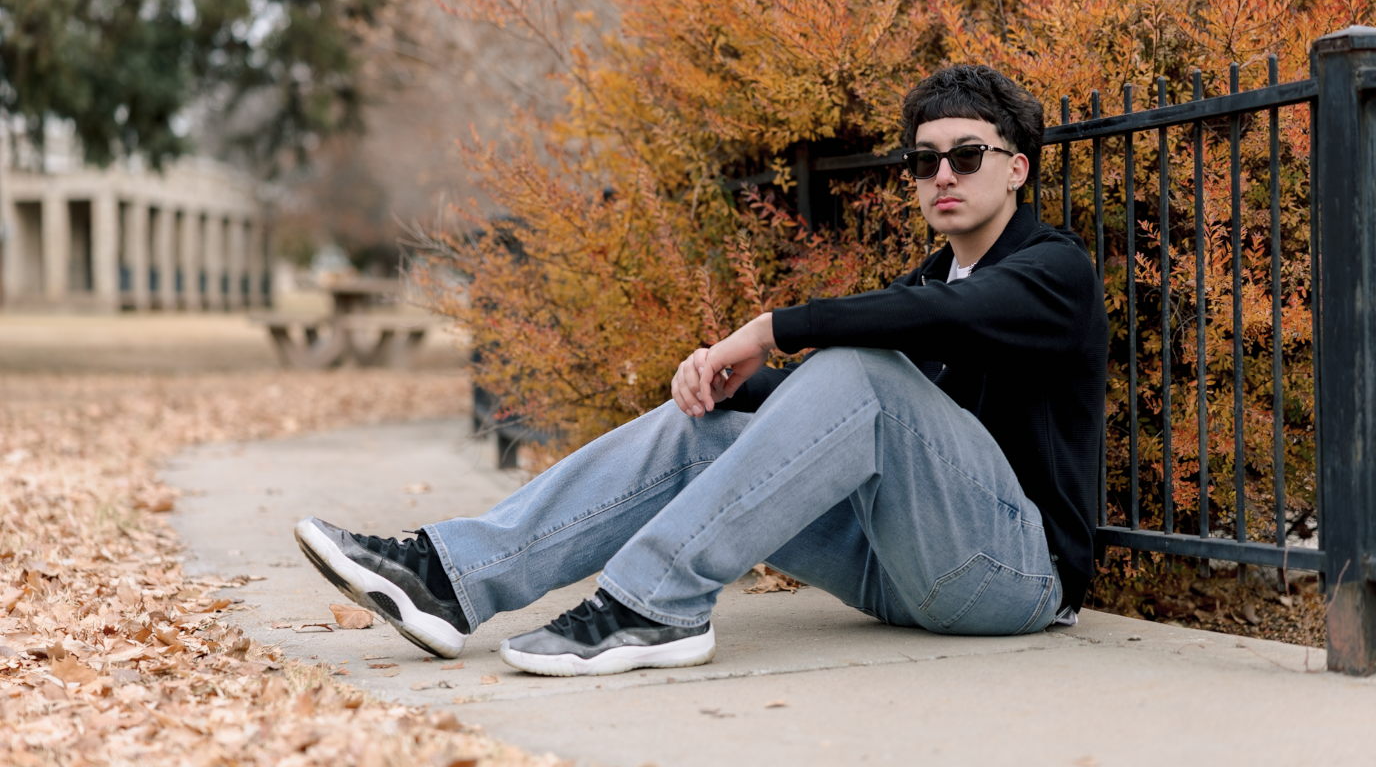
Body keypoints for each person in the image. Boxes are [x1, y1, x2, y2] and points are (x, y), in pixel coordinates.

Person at [294, 64, 1109, 677]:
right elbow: (818, 413)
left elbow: (937, 330)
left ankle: (655, 604)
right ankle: (450, 576)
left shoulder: (1052, 271)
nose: (942, 176)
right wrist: (728, 384)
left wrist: (771, 327)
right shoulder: (931, 281)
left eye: (967, 156)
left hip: (1015, 576)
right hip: (901, 568)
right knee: (705, 431)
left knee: (861, 365)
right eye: (924, 160)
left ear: (1016, 168)